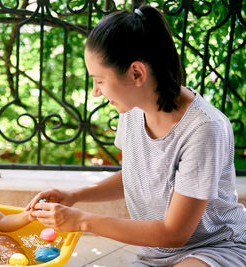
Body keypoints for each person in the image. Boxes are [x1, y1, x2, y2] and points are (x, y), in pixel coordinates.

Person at [27, 5, 246, 267]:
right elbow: (137, 175)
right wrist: (75, 194)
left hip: (216, 248)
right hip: (156, 253)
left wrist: (82, 220)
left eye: (99, 80)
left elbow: (175, 233)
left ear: (136, 73)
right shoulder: (132, 109)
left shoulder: (204, 129)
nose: (96, 92)